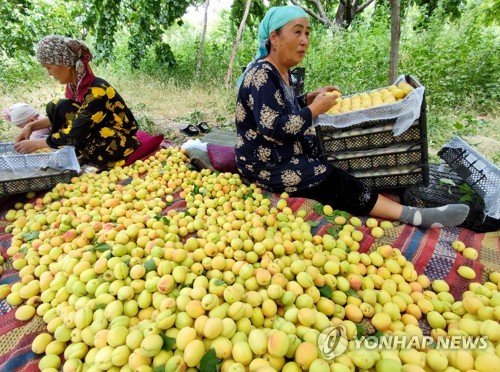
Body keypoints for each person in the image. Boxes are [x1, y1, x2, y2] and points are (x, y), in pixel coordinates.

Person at [234, 5, 469, 228]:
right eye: (297, 32)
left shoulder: (282, 72)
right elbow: (272, 127)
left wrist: (307, 99)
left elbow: (282, 106)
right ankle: (411, 215)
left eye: (307, 32)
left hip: (284, 151)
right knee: (326, 176)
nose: (305, 40)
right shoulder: (261, 75)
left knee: (334, 152)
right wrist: (315, 110)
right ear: (274, 38)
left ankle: (371, 191)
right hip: (264, 164)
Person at [14, 35, 140, 169]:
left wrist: (37, 144)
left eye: (49, 67)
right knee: (56, 106)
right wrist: (31, 127)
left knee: (62, 107)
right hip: (100, 137)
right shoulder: (74, 86)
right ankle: (79, 154)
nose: (49, 74)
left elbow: (75, 131)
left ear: (65, 64)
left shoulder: (97, 91)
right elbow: (73, 117)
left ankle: (84, 157)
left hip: (120, 145)